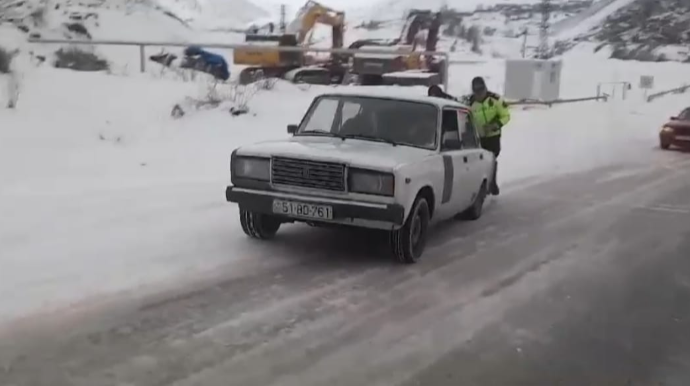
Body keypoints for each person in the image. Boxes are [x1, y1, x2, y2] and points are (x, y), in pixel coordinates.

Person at [468, 76, 510, 195]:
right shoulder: (470, 102)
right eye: (477, 92)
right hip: (477, 138)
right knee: (478, 162)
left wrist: (495, 125)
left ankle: (492, 183)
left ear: (485, 88)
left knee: (491, 159)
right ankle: (481, 186)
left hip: (493, 137)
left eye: (481, 91)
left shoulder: (495, 100)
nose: (479, 95)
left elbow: (506, 115)